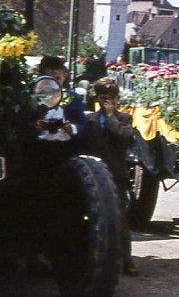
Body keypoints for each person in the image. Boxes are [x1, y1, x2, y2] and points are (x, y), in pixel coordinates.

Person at [82, 77, 140, 276]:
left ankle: (127, 259)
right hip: (93, 175)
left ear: (116, 99)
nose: (106, 101)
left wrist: (109, 117)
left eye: (110, 98)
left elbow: (123, 137)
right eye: (102, 97)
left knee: (120, 218)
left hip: (116, 174)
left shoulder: (124, 118)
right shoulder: (89, 120)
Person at [36, 56, 86, 140]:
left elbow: (83, 125)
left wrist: (72, 128)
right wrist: (36, 126)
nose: (53, 83)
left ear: (64, 76)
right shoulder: (34, 98)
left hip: (66, 147)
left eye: (57, 79)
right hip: (38, 146)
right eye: (49, 79)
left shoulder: (74, 98)